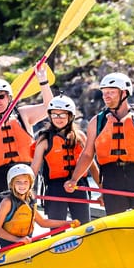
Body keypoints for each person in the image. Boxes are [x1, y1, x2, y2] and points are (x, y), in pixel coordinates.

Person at [0, 65, 53, 229]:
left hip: (21, 183)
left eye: (1, 96)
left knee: (20, 229)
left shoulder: (23, 115)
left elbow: (50, 107)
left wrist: (43, 81)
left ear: (9, 98)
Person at [65, 72, 134, 215]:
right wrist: (74, 179)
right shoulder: (96, 122)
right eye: (104, 92)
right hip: (111, 180)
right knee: (118, 229)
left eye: (111, 92)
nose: (106, 96)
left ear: (124, 93)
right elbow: (87, 155)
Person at [30, 95, 99, 224]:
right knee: (57, 230)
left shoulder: (80, 137)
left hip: (79, 187)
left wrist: (102, 189)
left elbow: (92, 166)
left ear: (70, 116)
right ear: (50, 116)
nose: (58, 118)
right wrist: (27, 191)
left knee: (83, 226)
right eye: (54, 114)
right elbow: (34, 169)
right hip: (55, 189)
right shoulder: (44, 139)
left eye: (62, 115)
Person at [0, 164, 78, 250]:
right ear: (12, 183)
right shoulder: (7, 202)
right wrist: (18, 240)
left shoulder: (30, 201)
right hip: (10, 246)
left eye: (25, 182)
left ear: (31, 183)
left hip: (25, 243)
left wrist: (68, 223)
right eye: (18, 182)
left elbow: (43, 222)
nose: (22, 185)